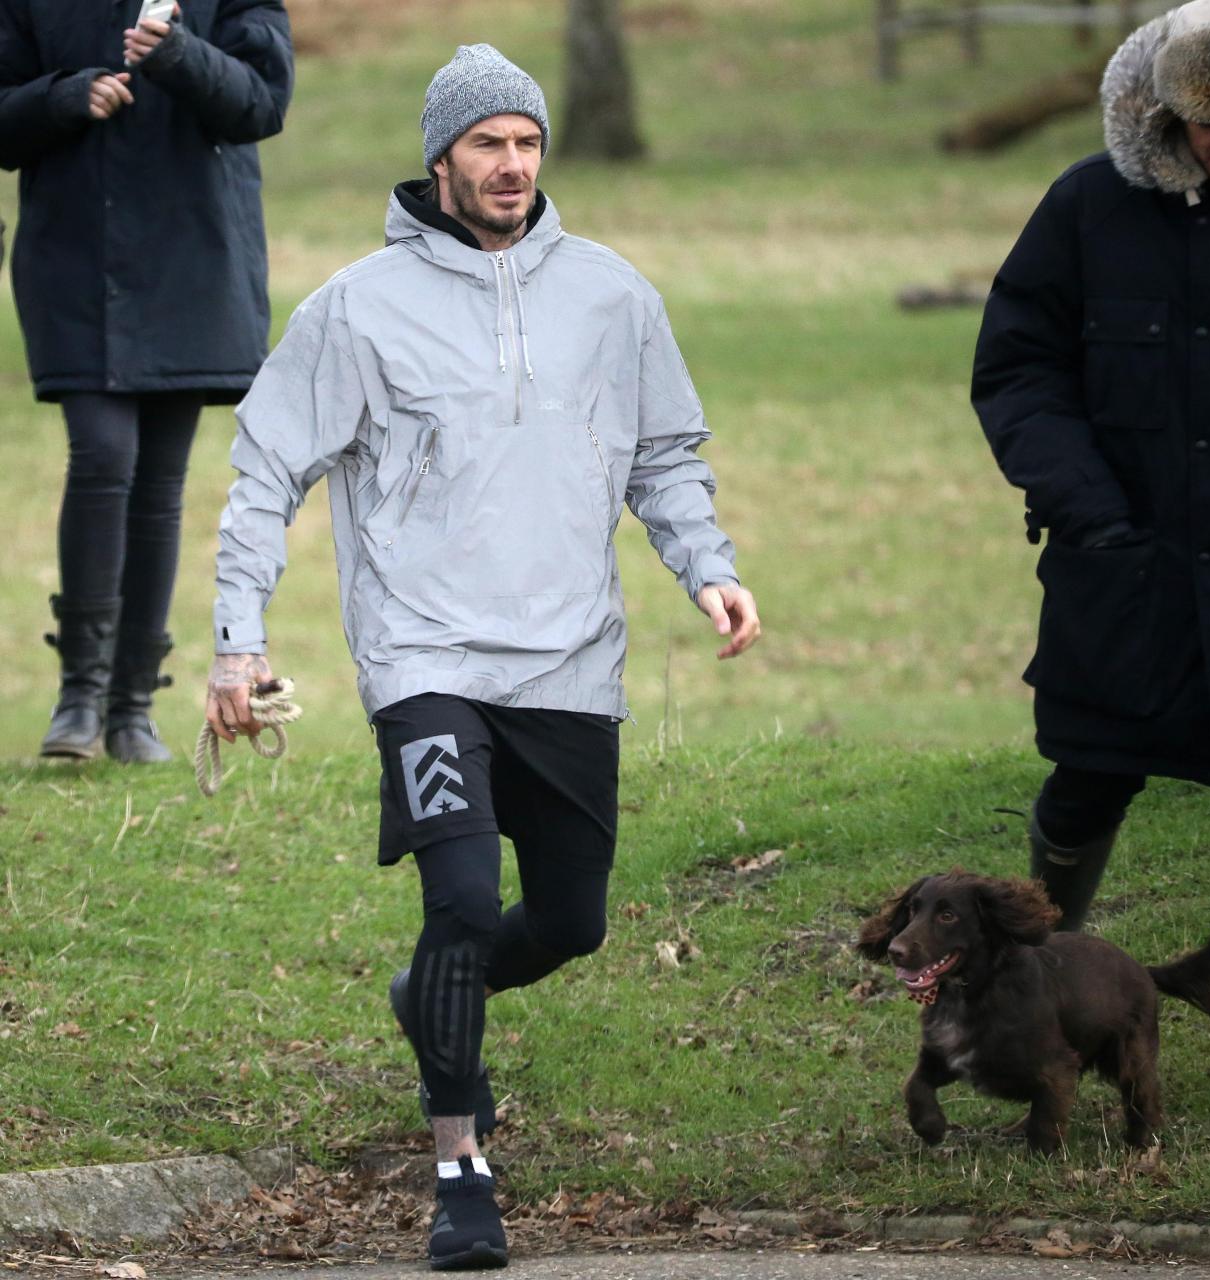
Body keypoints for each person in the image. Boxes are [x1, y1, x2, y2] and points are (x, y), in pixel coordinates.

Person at [205, 43, 760, 1270]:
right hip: (425, 657)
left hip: (569, 659)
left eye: (526, 143)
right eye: (486, 145)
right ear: (439, 157)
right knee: (456, 900)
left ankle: (431, 1002)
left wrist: (707, 567)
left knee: (568, 922)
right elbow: (263, 476)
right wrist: (236, 645)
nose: (511, 166)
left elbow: (663, 456)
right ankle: (460, 1168)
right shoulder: (356, 308)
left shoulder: (614, 295)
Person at [972, 0, 1210, 1125]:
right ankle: (1019, 1015)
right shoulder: (1085, 208)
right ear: (1160, 112)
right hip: (1125, 570)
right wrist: (1087, 509)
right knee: (1087, 779)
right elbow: (1015, 370)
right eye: (1207, 126)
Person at [0, 0, 293, 763]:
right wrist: (64, 97)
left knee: (160, 485)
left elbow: (263, 103)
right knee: (101, 457)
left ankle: (132, 710)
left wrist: (177, 55)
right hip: (74, 262)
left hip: (192, 261)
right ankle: (78, 698)